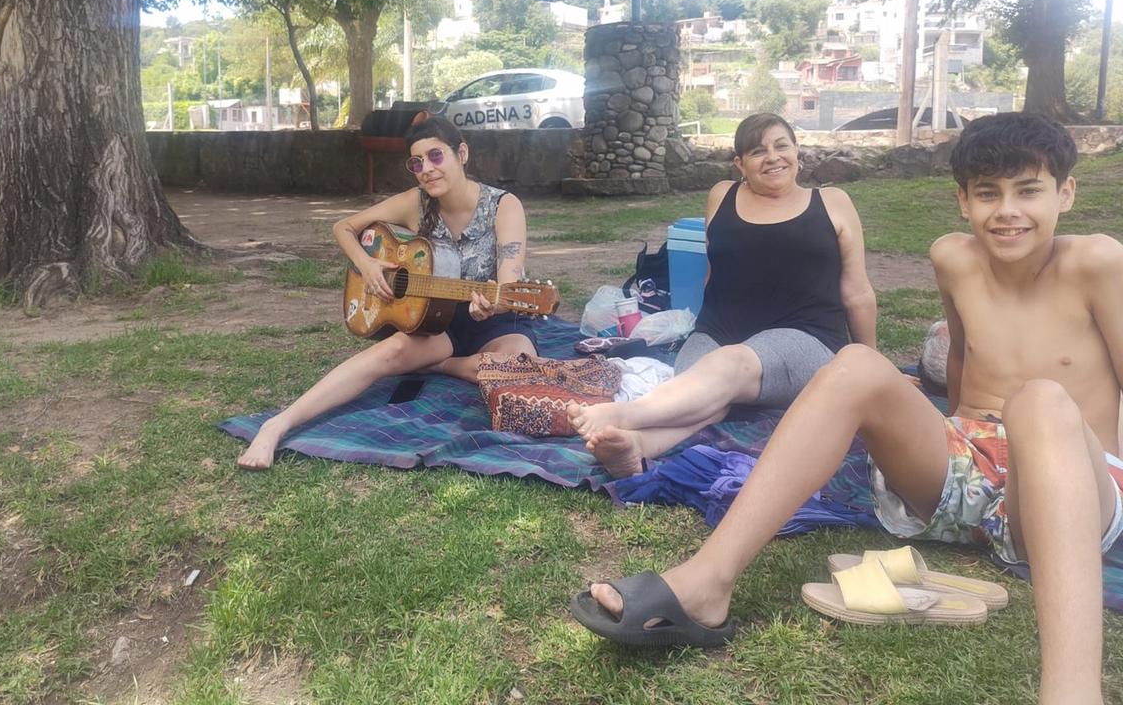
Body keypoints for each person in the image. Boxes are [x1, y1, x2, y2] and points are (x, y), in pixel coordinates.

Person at [572, 113, 1123, 705]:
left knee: (1037, 399)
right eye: (988, 193)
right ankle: (706, 584)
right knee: (858, 365)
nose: (1007, 211)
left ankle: (1071, 694)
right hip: (963, 471)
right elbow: (963, 360)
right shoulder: (954, 259)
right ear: (963, 201)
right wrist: (923, 424)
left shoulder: (1097, 262)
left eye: (1029, 191)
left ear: (1066, 192)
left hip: (1068, 485)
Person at [568, 112, 877, 477]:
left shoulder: (832, 202)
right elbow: (715, 272)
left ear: (797, 151)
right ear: (740, 164)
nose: (773, 157)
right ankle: (637, 446)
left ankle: (623, 415)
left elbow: (856, 292)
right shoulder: (721, 196)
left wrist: (871, 367)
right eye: (758, 151)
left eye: (782, 146)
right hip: (718, 330)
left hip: (805, 337)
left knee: (727, 369)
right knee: (701, 391)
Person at [237, 116, 538, 470]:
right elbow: (343, 227)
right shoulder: (417, 202)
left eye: (436, 156)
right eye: (417, 162)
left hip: (496, 319)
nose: (426, 169)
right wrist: (367, 265)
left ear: (462, 154)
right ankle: (278, 424)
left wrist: (496, 301)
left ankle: (440, 365)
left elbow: (509, 277)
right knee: (390, 350)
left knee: (519, 369)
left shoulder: (504, 205)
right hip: (437, 319)